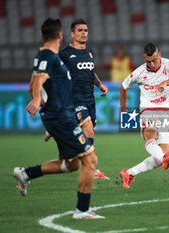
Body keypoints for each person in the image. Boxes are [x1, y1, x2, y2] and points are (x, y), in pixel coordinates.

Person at [13, 18, 104, 219]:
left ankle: (26, 174)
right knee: (90, 160)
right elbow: (38, 81)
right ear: (62, 35)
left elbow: (31, 84)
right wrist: (38, 100)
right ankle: (82, 210)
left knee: (72, 164)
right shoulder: (51, 56)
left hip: (59, 117)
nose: (84, 33)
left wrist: (46, 109)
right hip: (63, 118)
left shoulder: (44, 55)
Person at [119, 42, 169, 188]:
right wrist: (123, 110)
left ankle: (129, 173)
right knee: (151, 134)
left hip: (167, 113)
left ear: (159, 55)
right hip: (148, 110)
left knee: (164, 157)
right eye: (148, 61)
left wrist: (166, 82)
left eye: (154, 60)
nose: (152, 64)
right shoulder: (139, 72)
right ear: (143, 58)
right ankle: (163, 158)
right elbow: (123, 87)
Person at [59, 18, 109, 180]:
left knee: (88, 134)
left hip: (90, 98)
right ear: (72, 34)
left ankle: (69, 151)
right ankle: (93, 169)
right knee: (87, 130)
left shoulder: (90, 53)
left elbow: (91, 72)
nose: (83, 33)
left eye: (85, 30)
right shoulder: (65, 54)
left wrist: (100, 85)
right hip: (75, 99)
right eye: (80, 30)